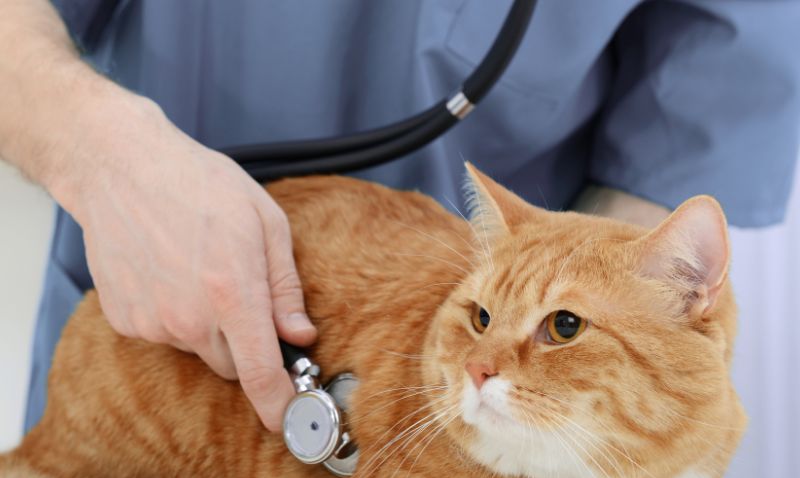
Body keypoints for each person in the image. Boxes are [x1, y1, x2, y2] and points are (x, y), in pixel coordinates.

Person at [1, 0, 798, 435]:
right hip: (155, 355)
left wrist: (574, 319)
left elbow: (711, 85)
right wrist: (97, 152)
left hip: (491, 408)